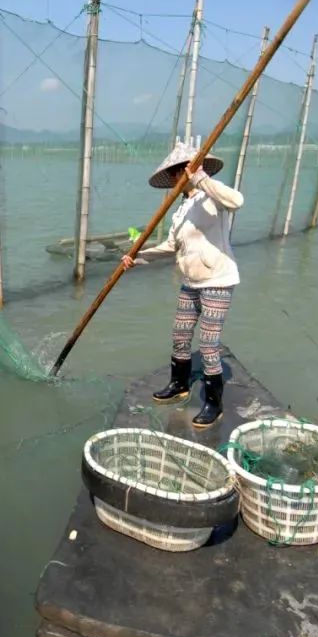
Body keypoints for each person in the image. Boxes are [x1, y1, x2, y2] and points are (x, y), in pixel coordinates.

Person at [121, 138, 244, 429]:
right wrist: (137, 256)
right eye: (176, 173)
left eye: (182, 171)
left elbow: (236, 201)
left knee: (209, 344)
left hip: (217, 280)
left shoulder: (211, 194)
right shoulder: (182, 209)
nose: (179, 177)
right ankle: (180, 383)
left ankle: (214, 403)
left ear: (193, 169)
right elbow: (170, 246)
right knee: (180, 334)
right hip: (191, 282)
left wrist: (201, 178)